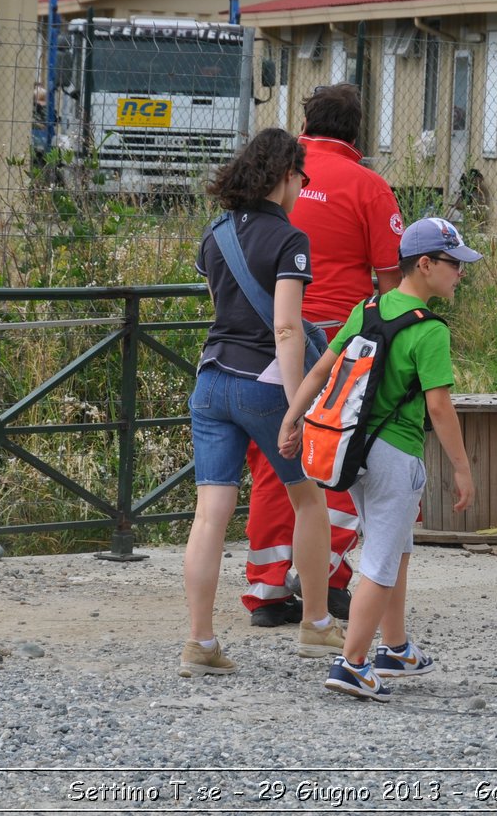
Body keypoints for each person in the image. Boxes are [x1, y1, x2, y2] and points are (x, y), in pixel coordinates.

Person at [279, 217, 479, 701]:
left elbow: (323, 368)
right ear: (425, 265)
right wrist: (461, 466)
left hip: (354, 450)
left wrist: (293, 417)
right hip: (396, 456)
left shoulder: (367, 308)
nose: (460, 274)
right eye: (454, 264)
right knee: (381, 559)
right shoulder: (430, 331)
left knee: (395, 543)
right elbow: (438, 406)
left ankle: (395, 648)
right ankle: (351, 664)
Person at [179, 128, 343, 678]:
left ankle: (200, 641)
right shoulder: (290, 240)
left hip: (210, 381)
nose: (303, 186)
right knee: (309, 500)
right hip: (266, 384)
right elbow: (287, 329)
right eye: (302, 176)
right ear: (284, 175)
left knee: (210, 515)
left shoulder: (215, 233)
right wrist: (297, 406)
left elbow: (220, 312)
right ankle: (317, 624)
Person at [241, 84, 404, 628]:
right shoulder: (370, 188)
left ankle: (266, 586)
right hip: (336, 341)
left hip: (264, 334)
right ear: (357, 131)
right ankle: (325, 574)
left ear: (305, 123)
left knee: (273, 462)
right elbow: (391, 285)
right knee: (339, 455)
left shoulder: (277, 177)